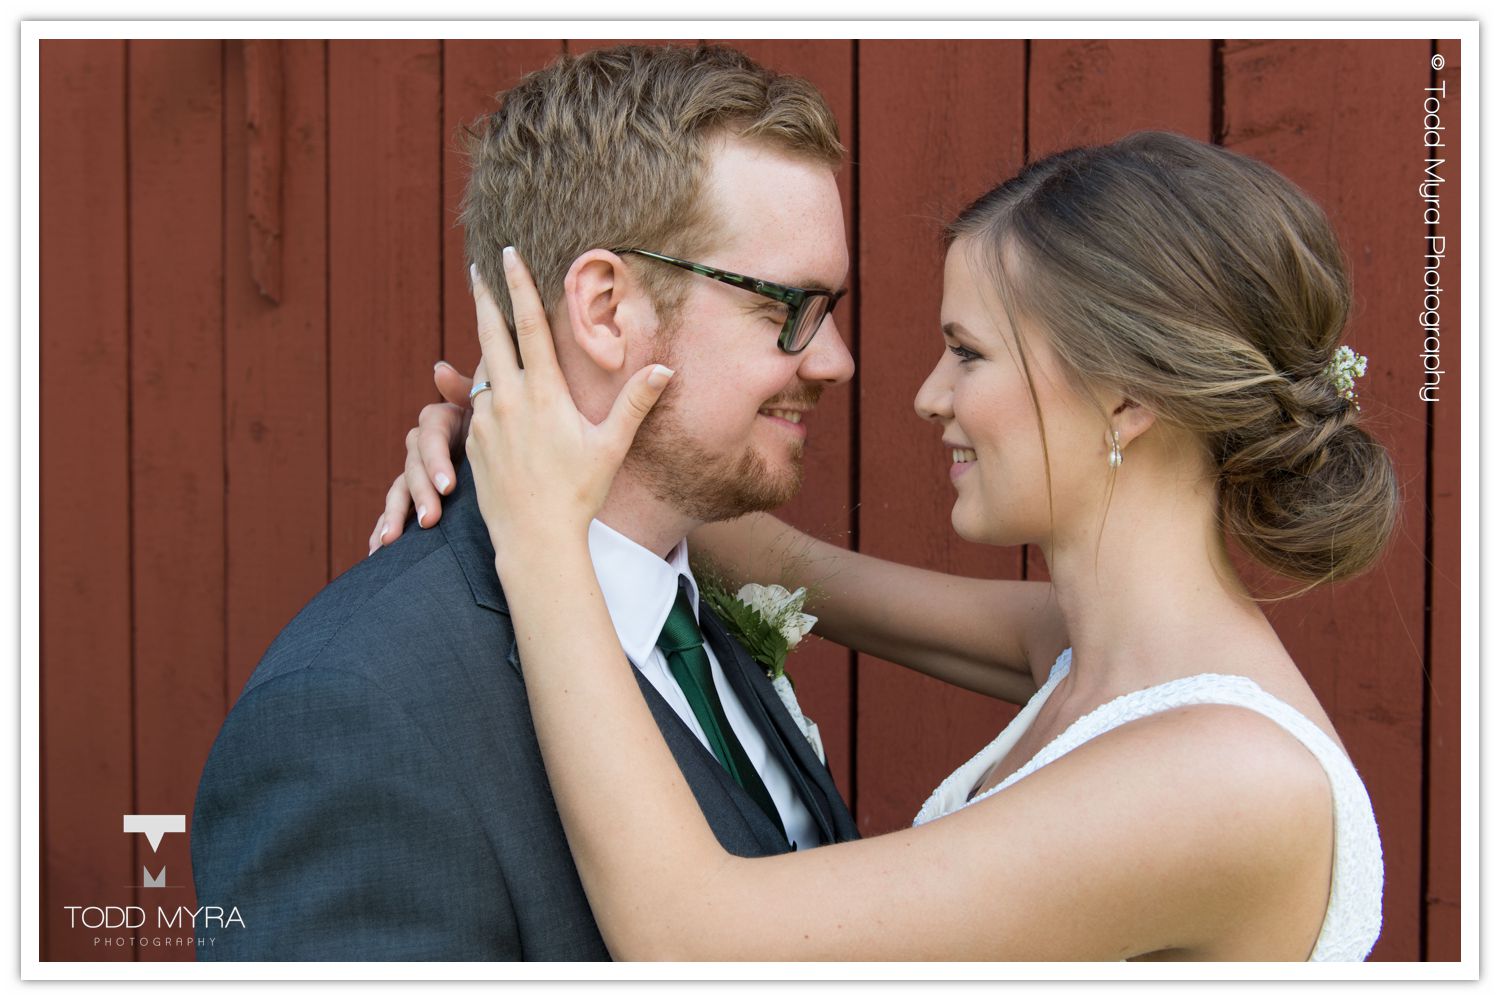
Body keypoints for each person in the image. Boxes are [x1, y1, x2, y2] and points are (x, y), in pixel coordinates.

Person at [380, 131, 1396, 960]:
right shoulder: (1099, 652)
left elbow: (694, 941)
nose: (929, 396)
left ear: (1128, 396)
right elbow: (793, 567)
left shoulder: (1221, 779)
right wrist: (531, 415)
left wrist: (541, 535)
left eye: (969, 354)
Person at [190, 43, 862, 961]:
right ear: (603, 309)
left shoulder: (691, 602)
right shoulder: (359, 711)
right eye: (789, 307)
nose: (833, 361)